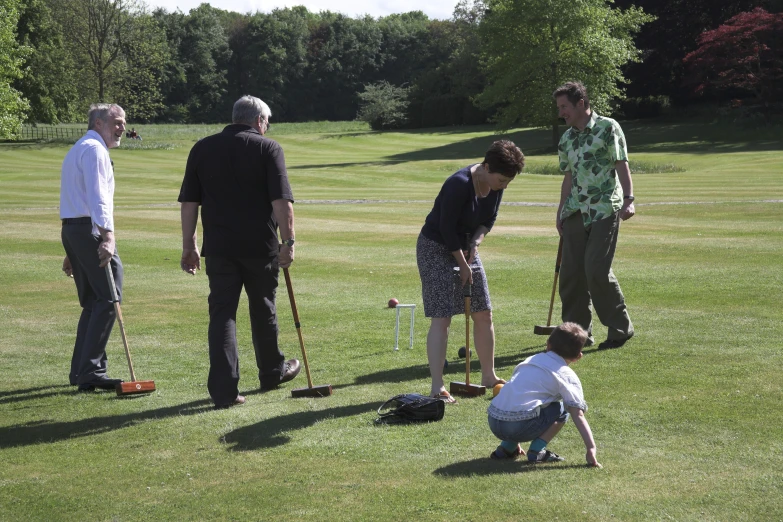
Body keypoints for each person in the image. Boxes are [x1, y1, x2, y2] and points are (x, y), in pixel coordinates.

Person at [178, 95, 301, 409]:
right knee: (263, 308)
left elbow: (190, 203)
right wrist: (288, 243)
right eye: (267, 123)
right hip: (260, 246)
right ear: (259, 120)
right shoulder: (267, 147)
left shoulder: (202, 148)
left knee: (222, 314)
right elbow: (282, 203)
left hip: (219, 248)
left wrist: (189, 245)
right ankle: (272, 372)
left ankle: (224, 391)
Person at [416, 140, 525, 403]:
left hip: (466, 247)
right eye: (501, 180)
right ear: (486, 167)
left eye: (508, 182)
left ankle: (488, 375)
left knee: (483, 311)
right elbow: (445, 227)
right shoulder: (459, 183)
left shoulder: (496, 184)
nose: (504, 186)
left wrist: (476, 243)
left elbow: (489, 219)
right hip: (435, 247)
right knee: (442, 317)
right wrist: (463, 264)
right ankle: (436, 387)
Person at [554, 81, 635, 349]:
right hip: (575, 210)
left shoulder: (608, 127)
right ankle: (577, 335)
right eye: (559, 107)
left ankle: (620, 329)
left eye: (564, 106)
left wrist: (629, 199)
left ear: (581, 103)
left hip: (604, 208)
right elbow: (568, 177)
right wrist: (560, 210)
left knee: (596, 269)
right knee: (572, 274)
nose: (561, 112)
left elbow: (621, 163)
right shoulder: (566, 138)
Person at [60, 103, 127, 392]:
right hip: (88, 230)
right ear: (99, 123)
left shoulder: (80, 147)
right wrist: (108, 237)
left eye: (124, 122)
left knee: (93, 302)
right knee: (109, 298)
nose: (122, 127)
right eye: (117, 121)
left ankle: (81, 370)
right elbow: (99, 197)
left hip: (75, 230)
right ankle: (90, 371)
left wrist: (72, 249)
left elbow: (77, 196)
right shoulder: (95, 149)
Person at [487, 322, 601, 467]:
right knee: (561, 409)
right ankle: (537, 451)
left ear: (548, 344)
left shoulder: (530, 360)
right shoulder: (566, 375)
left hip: (494, 420)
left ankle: (506, 448)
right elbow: (577, 413)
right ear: (578, 356)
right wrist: (591, 448)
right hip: (517, 426)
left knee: (525, 403)